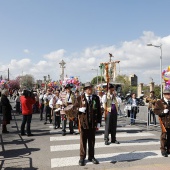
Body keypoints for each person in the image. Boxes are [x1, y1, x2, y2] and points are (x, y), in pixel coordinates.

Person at [78, 82, 101, 166]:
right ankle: (82, 157)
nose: (89, 89)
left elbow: (99, 111)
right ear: (85, 90)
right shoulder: (80, 98)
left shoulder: (96, 98)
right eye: (87, 88)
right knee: (83, 141)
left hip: (92, 123)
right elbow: (73, 109)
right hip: (83, 123)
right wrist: (79, 110)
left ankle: (91, 157)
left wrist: (99, 123)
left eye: (90, 88)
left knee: (91, 141)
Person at [154, 88, 170, 157]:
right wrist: (162, 112)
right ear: (165, 95)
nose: (169, 96)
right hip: (164, 121)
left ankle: (169, 149)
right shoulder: (159, 102)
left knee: (169, 136)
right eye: (168, 94)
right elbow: (155, 111)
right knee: (164, 136)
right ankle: (163, 149)